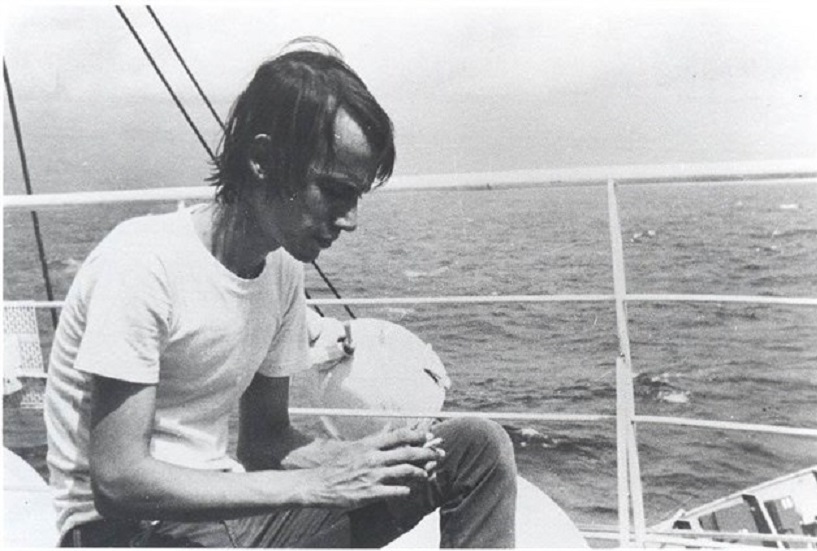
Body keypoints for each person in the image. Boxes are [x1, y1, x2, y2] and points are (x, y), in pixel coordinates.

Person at [44, 37, 517, 548]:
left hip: (228, 521)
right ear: (262, 159)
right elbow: (118, 480)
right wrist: (314, 485)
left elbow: (266, 443)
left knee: (474, 448)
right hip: (123, 533)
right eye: (334, 190)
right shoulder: (142, 262)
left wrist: (358, 458)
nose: (350, 220)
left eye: (357, 196)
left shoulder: (281, 271)